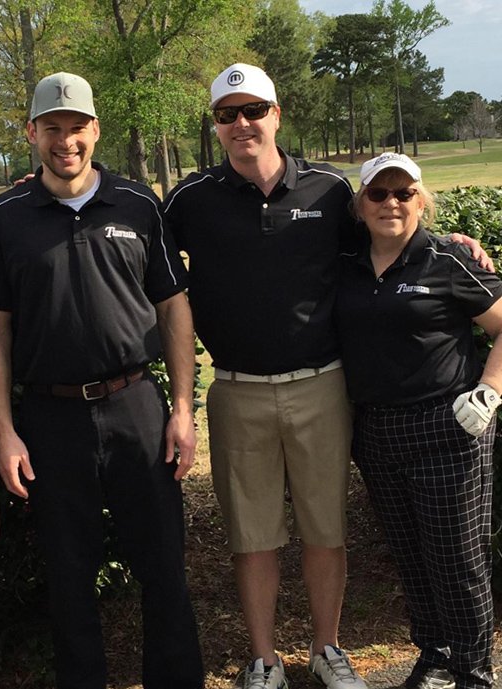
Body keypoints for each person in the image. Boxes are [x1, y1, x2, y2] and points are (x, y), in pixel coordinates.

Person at [0, 72, 204, 689]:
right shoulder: (3, 218)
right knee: (69, 576)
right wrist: (5, 432)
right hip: (51, 418)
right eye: (52, 129)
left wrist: (183, 407)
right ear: (32, 133)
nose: (65, 141)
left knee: (163, 568)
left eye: (76, 128)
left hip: (137, 407)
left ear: (95, 130)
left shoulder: (138, 203)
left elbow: (173, 306)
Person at [163, 62, 368, 689]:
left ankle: (326, 649)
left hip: (322, 384)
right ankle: (264, 659)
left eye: (254, 111)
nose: (242, 124)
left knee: (324, 527)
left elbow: (393, 239)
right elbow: (156, 285)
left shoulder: (331, 191)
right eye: (228, 115)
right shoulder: (190, 201)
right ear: (217, 127)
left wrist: (457, 244)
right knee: (252, 536)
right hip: (237, 390)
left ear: (277, 115)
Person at [336, 153, 500, 689]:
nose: (391, 203)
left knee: (457, 560)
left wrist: (490, 391)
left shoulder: (447, 259)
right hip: (376, 430)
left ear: (421, 201)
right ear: (360, 206)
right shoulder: (346, 261)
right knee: (409, 553)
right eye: (378, 194)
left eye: (403, 194)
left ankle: (473, 672)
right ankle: (435, 656)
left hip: (448, 424)